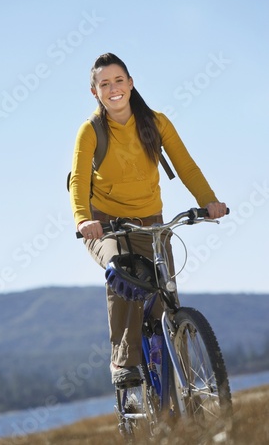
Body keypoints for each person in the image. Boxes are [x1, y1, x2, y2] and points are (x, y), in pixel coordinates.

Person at [69, 53, 227, 385]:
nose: (113, 89)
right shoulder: (91, 130)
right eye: (105, 84)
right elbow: (79, 181)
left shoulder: (156, 122)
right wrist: (84, 220)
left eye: (119, 81)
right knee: (122, 272)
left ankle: (184, 388)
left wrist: (209, 202)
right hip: (105, 225)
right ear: (94, 92)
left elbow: (186, 166)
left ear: (130, 83)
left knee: (164, 303)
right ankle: (123, 362)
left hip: (151, 223)